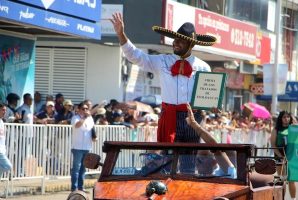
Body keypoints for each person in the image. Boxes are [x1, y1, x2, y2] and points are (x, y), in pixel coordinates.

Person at [111, 13, 216, 173]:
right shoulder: (162, 61)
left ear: (190, 44)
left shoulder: (203, 67)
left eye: (180, 40)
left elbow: (208, 97)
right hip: (169, 117)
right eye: (175, 39)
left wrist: (212, 106)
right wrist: (121, 34)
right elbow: (136, 56)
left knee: (188, 165)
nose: (175, 43)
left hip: (192, 119)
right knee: (167, 164)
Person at [185, 103, 236, 177]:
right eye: (198, 159)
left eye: (200, 159)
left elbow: (214, 146)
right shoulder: (191, 178)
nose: (196, 163)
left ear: (214, 162)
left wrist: (194, 124)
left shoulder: (227, 174)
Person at [270, 111, 296, 200]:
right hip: (279, 155)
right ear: (280, 119)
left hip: (291, 156)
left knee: (291, 180)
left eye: (288, 117)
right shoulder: (276, 129)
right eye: (284, 117)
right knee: (282, 180)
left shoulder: (294, 128)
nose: (286, 119)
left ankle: (293, 199)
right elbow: (273, 145)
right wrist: (281, 156)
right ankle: (281, 198)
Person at [70, 102, 94, 192]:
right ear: (78, 109)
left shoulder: (90, 118)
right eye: (83, 109)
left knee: (83, 169)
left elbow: (91, 129)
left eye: (86, 109)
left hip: (87, 146)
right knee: (76, 168)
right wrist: (84, 117)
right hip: (77, 146)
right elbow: (77, 125)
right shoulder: (75, 118)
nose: (85, 110)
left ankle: (81, 187)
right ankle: (74, 188)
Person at [0, 103, 12, 179]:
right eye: (3, 110)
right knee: (8, 166)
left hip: (2, 149)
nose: (4, 112)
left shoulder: (1, 121)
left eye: (5, 110)